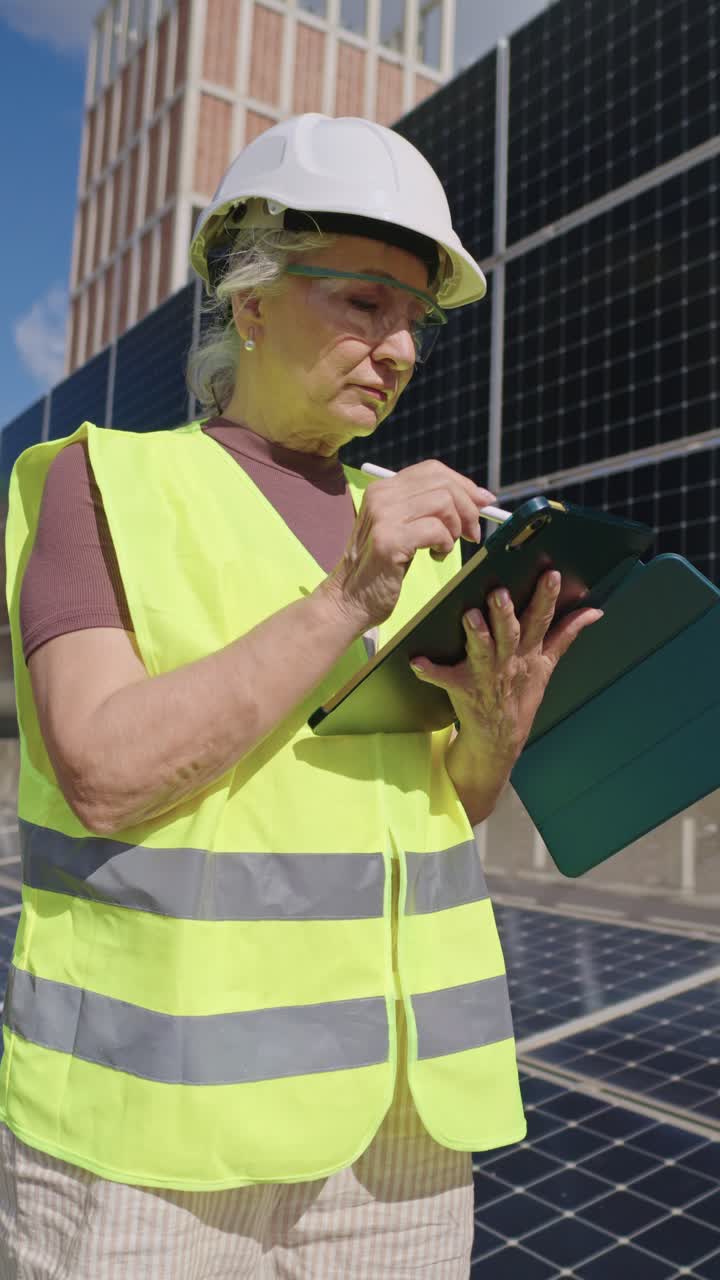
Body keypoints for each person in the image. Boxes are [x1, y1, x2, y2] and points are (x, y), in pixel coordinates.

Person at [0, 114, 602, 1278]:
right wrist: (348, 597)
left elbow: (433, 814)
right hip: (154, 1142)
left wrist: (491, 738)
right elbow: (105, 771)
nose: (403, 346)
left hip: (404, 1138)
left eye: (415, 317)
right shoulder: (104, 481)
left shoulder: (435, 534)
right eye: (364, 302)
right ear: (254, 299)